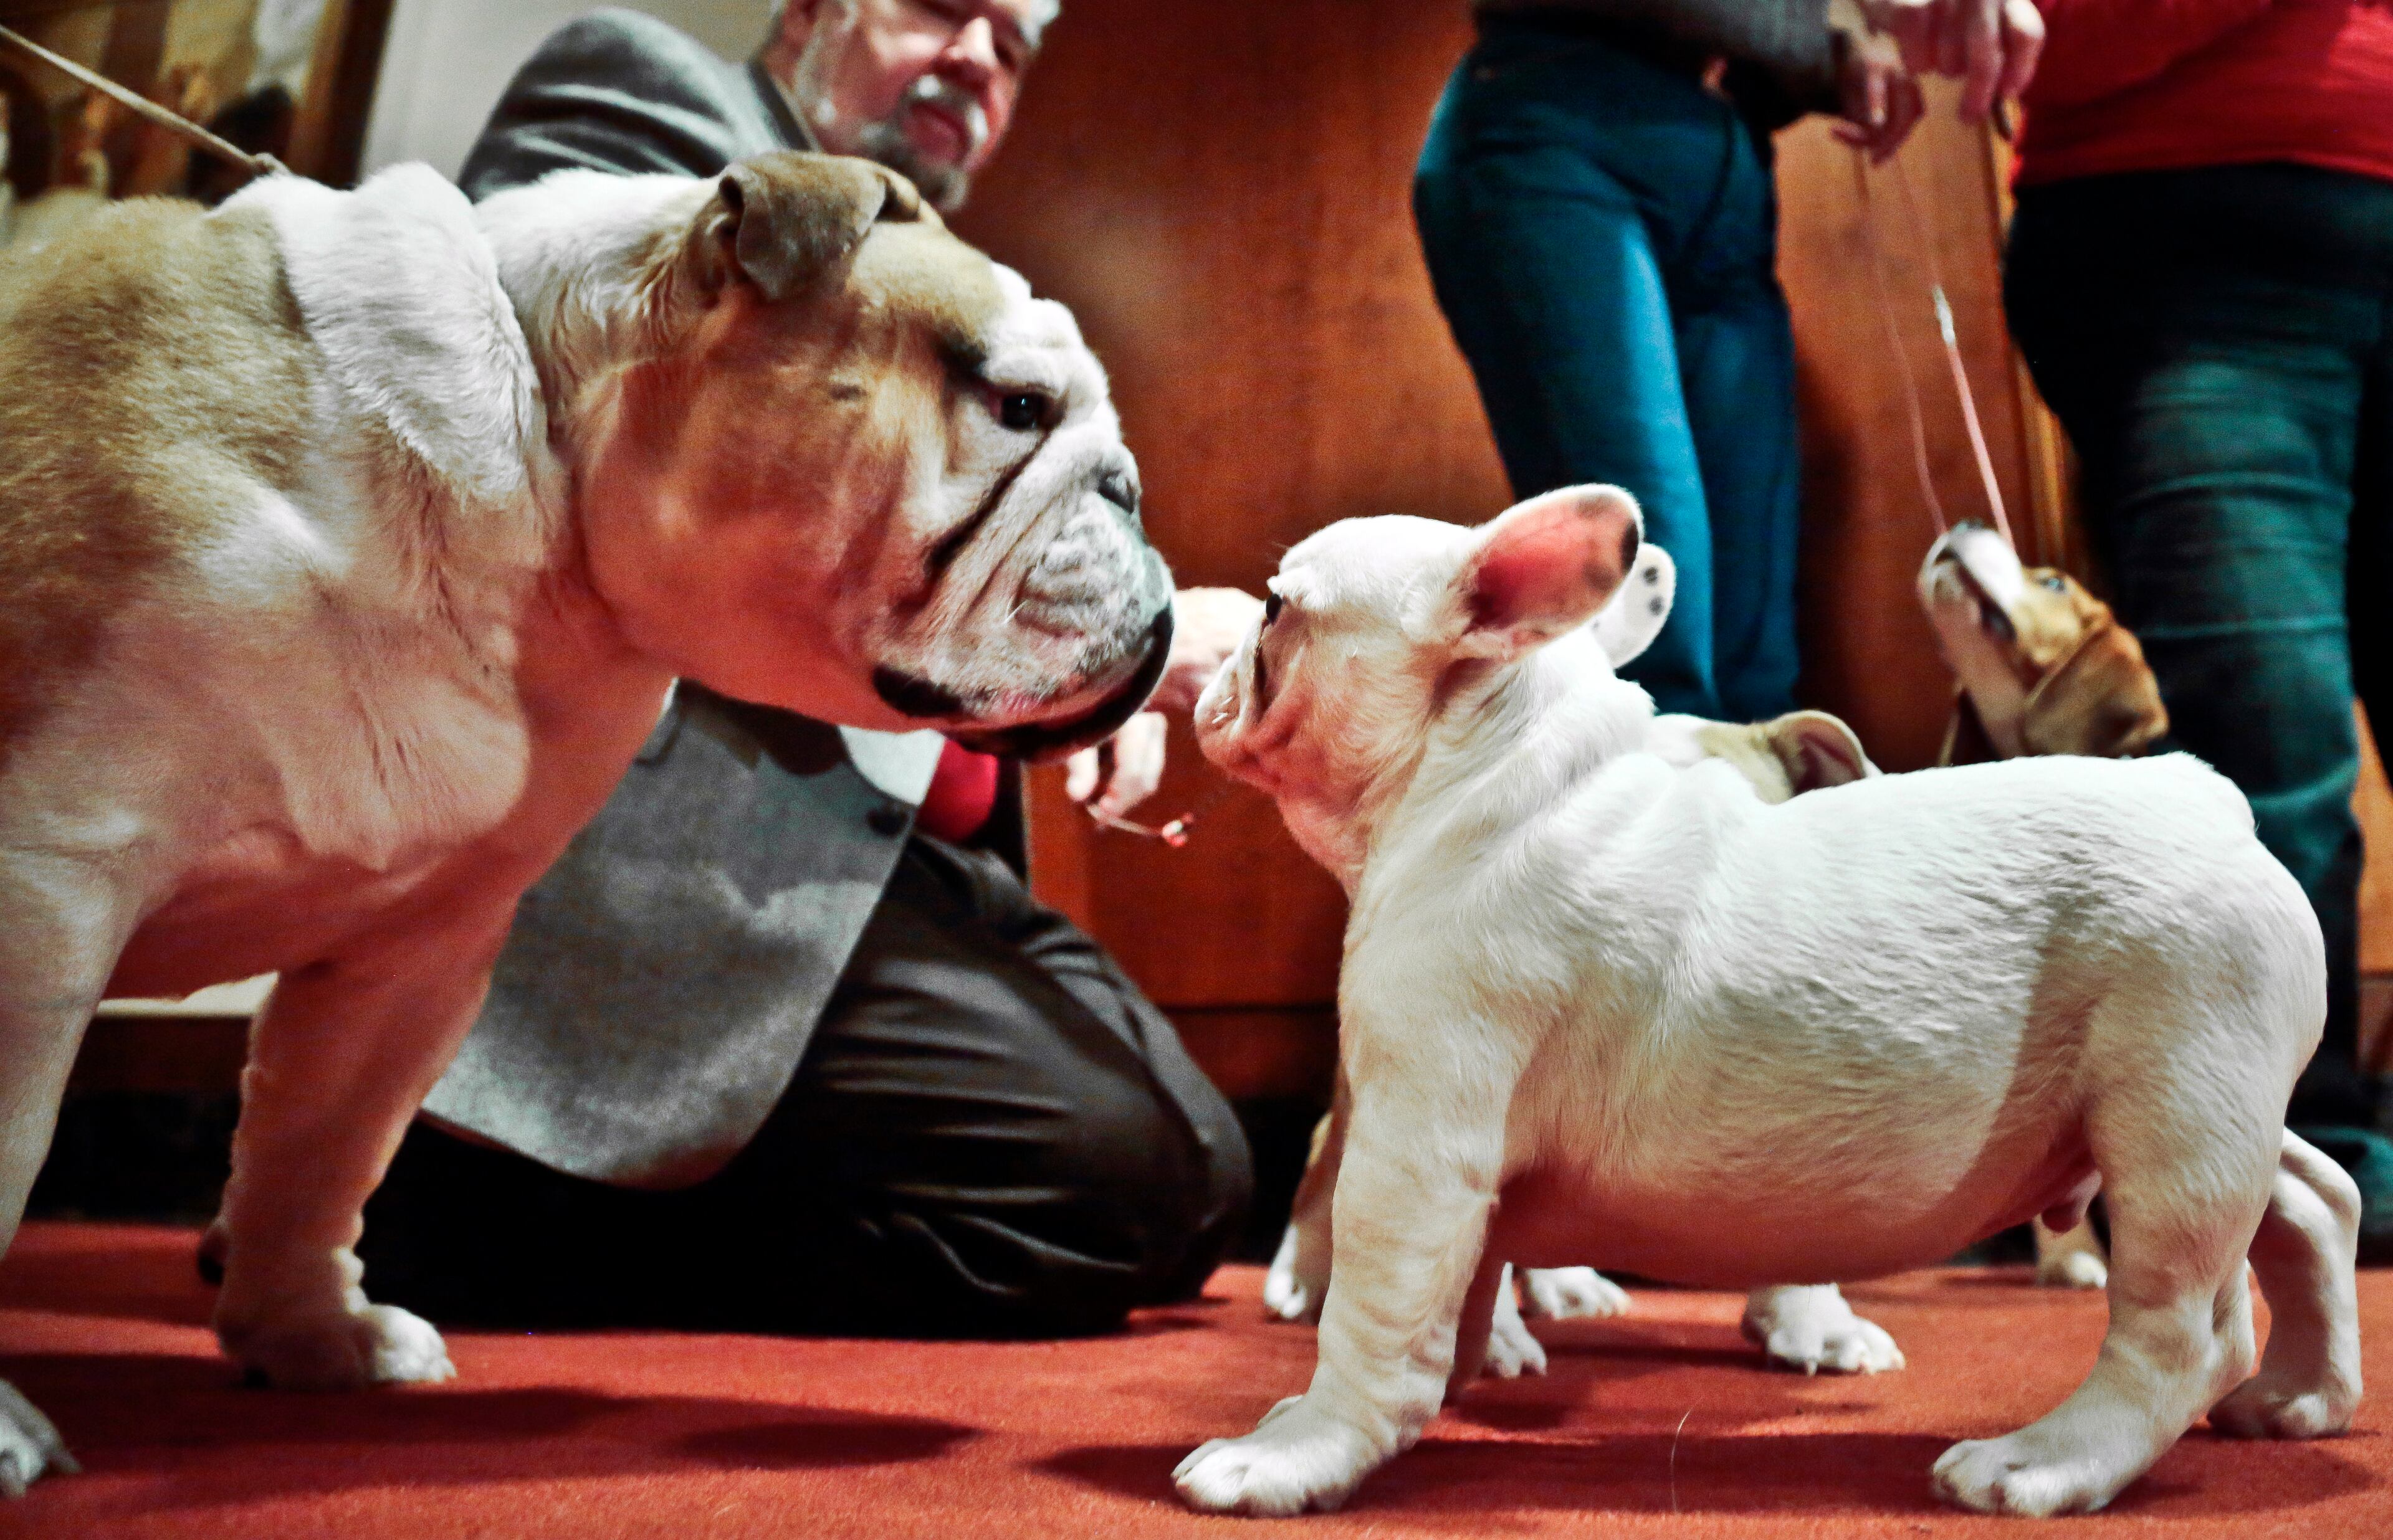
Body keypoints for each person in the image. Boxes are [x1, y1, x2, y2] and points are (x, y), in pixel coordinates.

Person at [345, 0, 1259, 1337]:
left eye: (1013, 50)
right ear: (823, 10)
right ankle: (446, 1218)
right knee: (1103, 1187)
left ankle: (519, 1200)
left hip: (890, 853)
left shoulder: (947, 271)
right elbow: (571, 417)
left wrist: (1066, 687)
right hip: (655, 851)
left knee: (1201, 1178)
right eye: (947, 9)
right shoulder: (665, 108)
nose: (976, 62)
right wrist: (1158, 644)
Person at [2001, 0, 2393, 1260]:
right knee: (2270, 744)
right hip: (2187, 235)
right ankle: (2283, 1166)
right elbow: (2049, 35)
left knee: (2267, 734)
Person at [1413, 0, 2040, 722]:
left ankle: (1748, 820)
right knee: (1656, 627)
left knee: (1756, 664)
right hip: (1555, 134)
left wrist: (1829, 54)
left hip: (1723, 154)